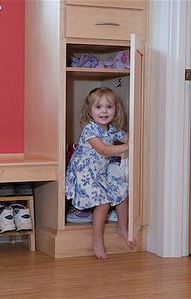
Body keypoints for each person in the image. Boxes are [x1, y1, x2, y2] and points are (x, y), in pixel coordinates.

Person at [65, 87, 135, 260]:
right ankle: (97, 240)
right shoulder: (90, 129)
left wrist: (135, 141)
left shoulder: (112, 129)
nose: (104, 111)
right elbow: (103, 150)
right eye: (98, 107)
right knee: (103, 202)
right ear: (90, 110)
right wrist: (129, 147)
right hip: (84, 172)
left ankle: (122, 227)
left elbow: (132, 139)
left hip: (100, 172)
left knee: (122, 190)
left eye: (109, 107)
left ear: (115, 110)